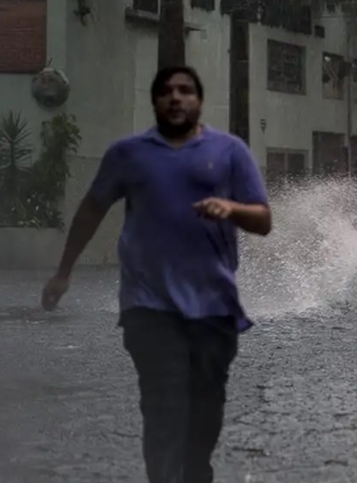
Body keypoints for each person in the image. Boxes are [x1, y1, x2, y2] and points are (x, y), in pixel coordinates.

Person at [40, 65, 272, 483]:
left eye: (185, 91)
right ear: (155, 101)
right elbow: (92, 208)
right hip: (148, 306)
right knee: (163, 406)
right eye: (166, 91)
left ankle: (196, 472)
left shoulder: (230, 150)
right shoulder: (127, 154)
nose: (175, 97)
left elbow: (263, 220)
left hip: (214, 308)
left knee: (205, 411)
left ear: (199, 101)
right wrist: (63, 272)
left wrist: (231, 209)